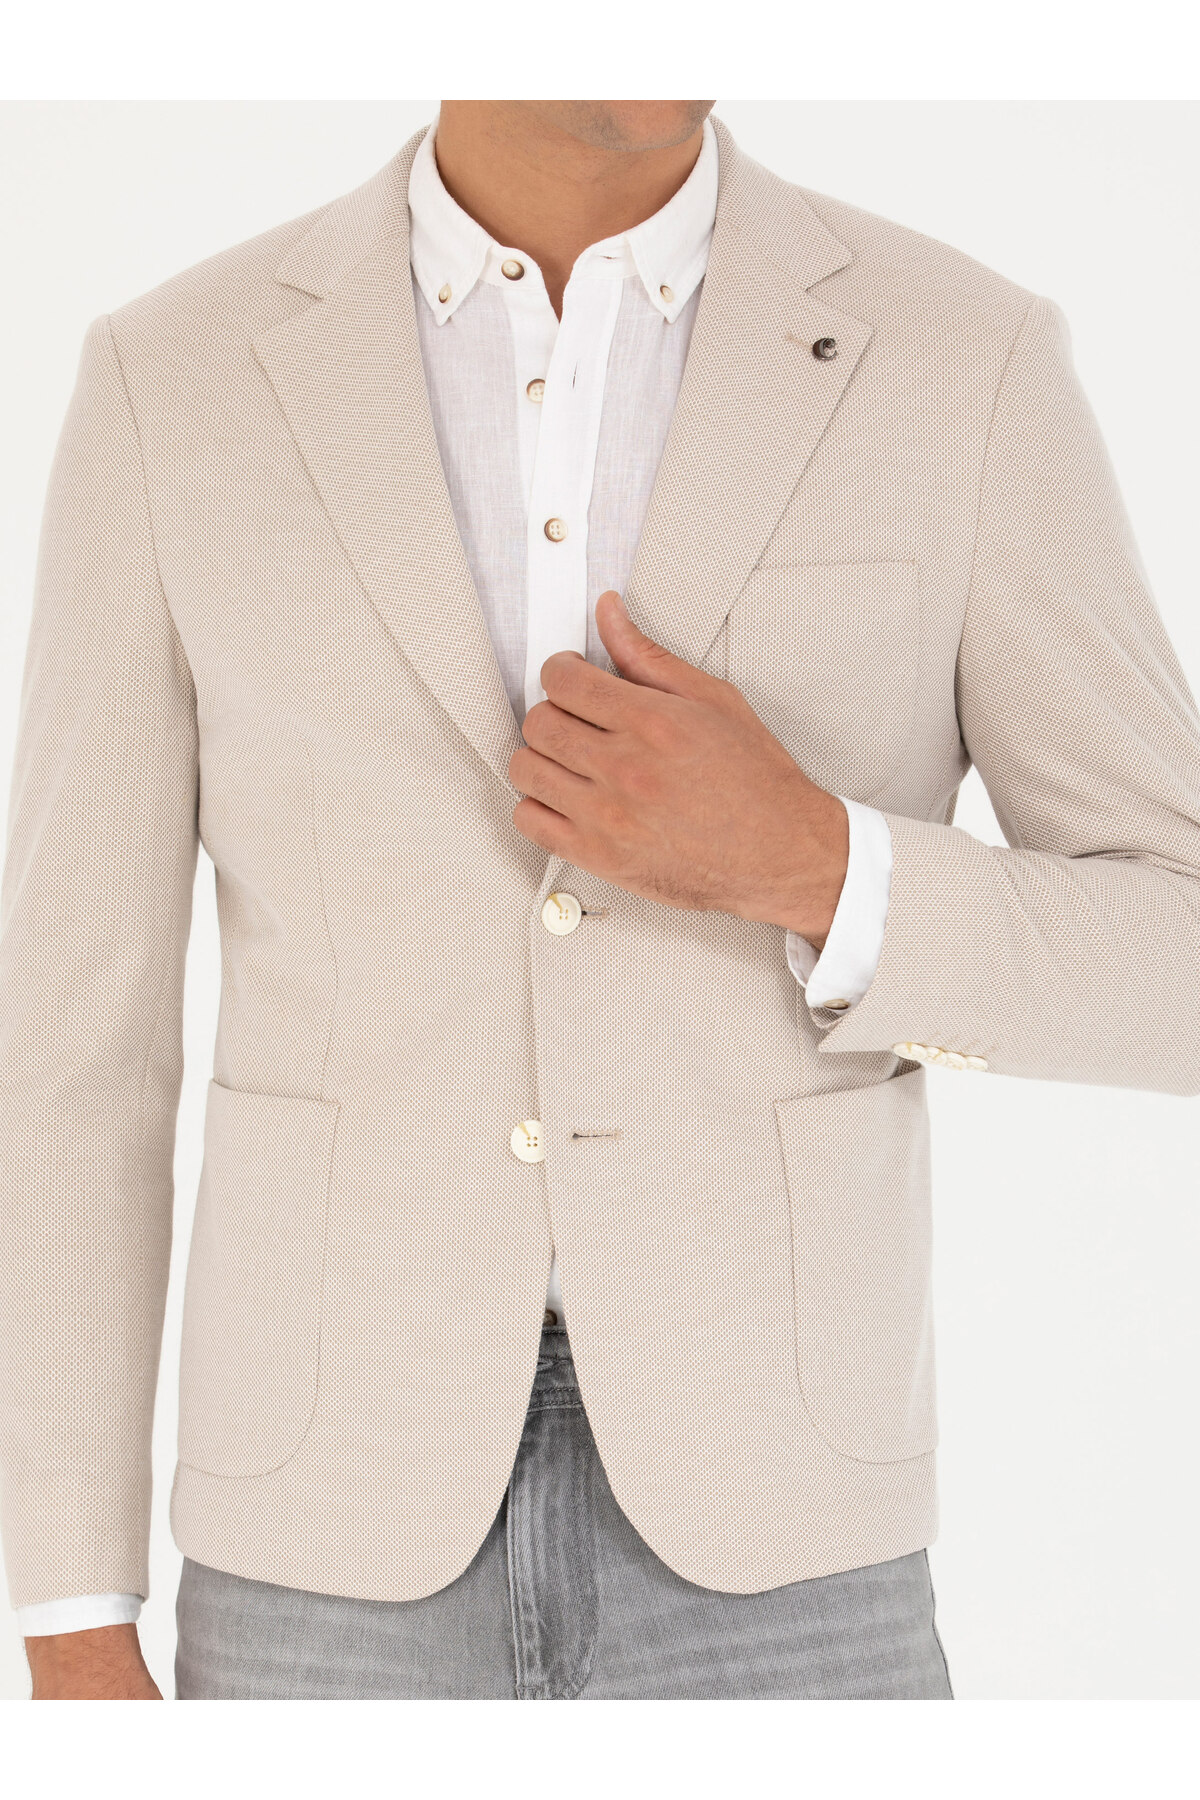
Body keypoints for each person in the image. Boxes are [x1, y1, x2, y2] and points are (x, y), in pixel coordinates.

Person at [3, 100, 1198, 1701]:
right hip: (320, 1529)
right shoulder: (175, 376)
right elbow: (73, 1043)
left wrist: (818, 862)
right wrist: (69, 1608)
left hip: (787, 1537)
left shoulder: (962, 359)